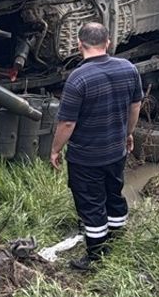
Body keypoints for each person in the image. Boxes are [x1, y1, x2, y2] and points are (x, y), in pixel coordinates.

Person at [48, 22, 143, 271]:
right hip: (116, 151)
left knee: (91, 203)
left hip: (86, 157)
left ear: (79, 45)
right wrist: (128, 133)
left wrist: (56, 149)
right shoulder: (128, 68)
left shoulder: (78, 79)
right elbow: (135, 106)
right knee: (114, 192)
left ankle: (96, 255)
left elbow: (67, 123)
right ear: (107, 43)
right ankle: (116, 237)